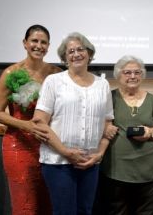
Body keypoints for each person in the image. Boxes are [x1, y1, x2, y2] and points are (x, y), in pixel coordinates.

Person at [32, 32, 117, 215]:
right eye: (71, 51)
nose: (76, 54)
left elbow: (108, 125)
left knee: (85, 211)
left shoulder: (102, 85)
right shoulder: (53, 81)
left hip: (90, 163)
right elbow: (39, 123)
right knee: (64, 212)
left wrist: (99, 154)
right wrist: (65, 152)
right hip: (58, 163)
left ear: (89, 54)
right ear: (65, 58)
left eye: (81, 49)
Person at [0, 24, 62, 215]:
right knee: (26, 206)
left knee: (48, 204)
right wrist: (26, 125)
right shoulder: (11, 73)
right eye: (34, 41)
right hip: (19, 146)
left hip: (50, 146)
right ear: (25, 43)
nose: (38, 46)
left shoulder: (56, 73)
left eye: (43, 42)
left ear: (48, 46)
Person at [96, 55, 153, 215]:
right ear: (118, 75)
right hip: (116, 172)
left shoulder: (152, 100)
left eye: (137, 72)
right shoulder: (108, 98)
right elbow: (95, 125)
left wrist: (150, 132)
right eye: (127, 72)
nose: (132, 76)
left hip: (149, 173)